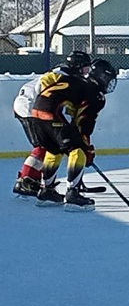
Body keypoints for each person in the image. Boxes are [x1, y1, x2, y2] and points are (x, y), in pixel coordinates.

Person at [28, 58, 118, 211]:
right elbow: (84, 122)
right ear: (99, 77)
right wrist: (86, 147)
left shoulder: (75, 81)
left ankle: (47, 192)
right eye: (107, 79)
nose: (109, 83)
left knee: (54, 150)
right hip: (53, 114)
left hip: (35, 115)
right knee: (79, 150)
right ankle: (73, 195)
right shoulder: (95, 94)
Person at [12, 50, 93, 199]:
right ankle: (25, 180)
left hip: (29, 105)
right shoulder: (61, 73)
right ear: (78, 66)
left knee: (49, 143)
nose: (87, 73)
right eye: (86, 68)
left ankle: (31, 179)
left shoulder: (67, 74)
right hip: (29, 106)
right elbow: (42, 90)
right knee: (46, 145)